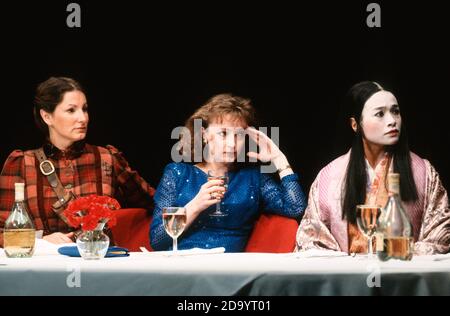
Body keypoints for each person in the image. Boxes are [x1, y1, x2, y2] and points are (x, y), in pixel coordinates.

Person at [295, 81, 450, 255]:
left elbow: (441, 234)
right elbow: (311, 240)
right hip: (347, 279)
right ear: (355, 125)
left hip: (404, 276)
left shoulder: (423, 172)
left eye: (395, 112)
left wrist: (398, 253)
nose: (392, 121)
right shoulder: (329, 177)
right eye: (380, 114)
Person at [0, 77, 155, 246]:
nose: (83, 118)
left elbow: (157, 203)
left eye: (85, 109)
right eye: (71, 110)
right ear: (47, 116)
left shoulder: (107, 158)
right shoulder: (22, 163)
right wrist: (40, 239)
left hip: (98, 265)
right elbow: (3, 232)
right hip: (46, 267)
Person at [150, 93, 306, 252]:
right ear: (205, 135)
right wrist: (196, 205)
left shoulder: (253, 177)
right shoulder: (177, 173)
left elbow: (296, 208)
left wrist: (278, 158)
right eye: (223, 133)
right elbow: (157, 239)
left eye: (239, 135)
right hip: (182, 268)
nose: (232, 144)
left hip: (229, 271)